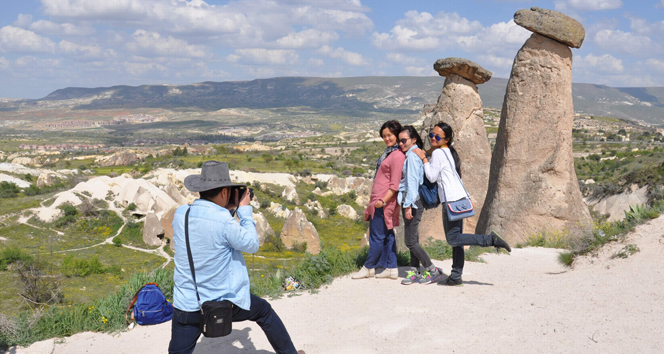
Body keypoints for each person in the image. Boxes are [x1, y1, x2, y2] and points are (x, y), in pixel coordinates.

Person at [168, 161, 305, 354]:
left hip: (186, 304)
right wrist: (244, 211)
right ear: (224, 192)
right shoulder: (224, 221)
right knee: (264, 312)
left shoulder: (181, 213)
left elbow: (207, 228)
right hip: (222, 302)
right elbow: (251, 244)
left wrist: (227, 210)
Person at [415, 122, 511, 286]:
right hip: (459, 198)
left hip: (451, 201)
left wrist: (423, 158)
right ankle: (456, 276)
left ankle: (490, 240)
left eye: (437, 137)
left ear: (447, 139)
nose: (433, 138)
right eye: (432, 135)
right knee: (457, 240)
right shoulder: (447, 152)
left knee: (453, 239)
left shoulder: (438, 153)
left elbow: (431, 176)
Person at [352, 120, 405, 280]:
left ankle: (369, 267)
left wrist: (382, 201)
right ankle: (391, 267)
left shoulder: (396, 156)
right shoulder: (390, 153)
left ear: (397, 134)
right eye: (384, 136)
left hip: (383, 202)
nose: (387, 138)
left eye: (389, 135)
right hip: (380, 200)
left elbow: (395, 184)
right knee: (388, 235)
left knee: (377, 236)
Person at [397, 125, 445, 285]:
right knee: (414, 238)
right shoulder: (416, 153)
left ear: (414, 140)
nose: (401, 144)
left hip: (413, 201)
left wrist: (409, 205)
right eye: (399, 141)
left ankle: (432, 270)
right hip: (414, 200)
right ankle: (415, 272)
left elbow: (412, 182)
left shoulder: (411, 156)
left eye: (404, 140)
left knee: (410, 241)